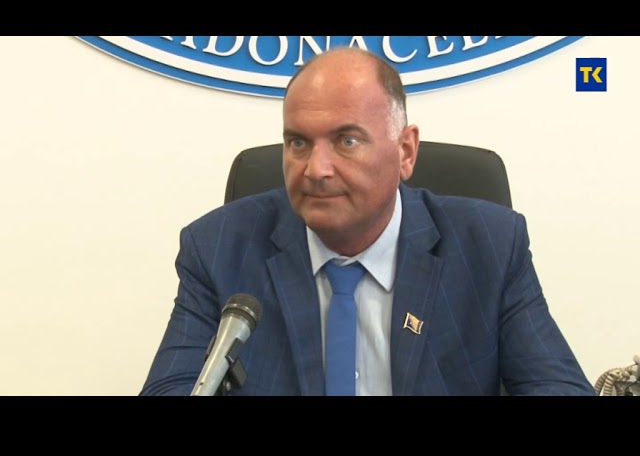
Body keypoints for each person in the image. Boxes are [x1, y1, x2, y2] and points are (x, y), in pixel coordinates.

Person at [140, 46, 596, 396]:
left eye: (347, 141)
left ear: (405, 151)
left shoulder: (490, 246)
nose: (316, 169)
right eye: (298, 143)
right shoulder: (219, 248)